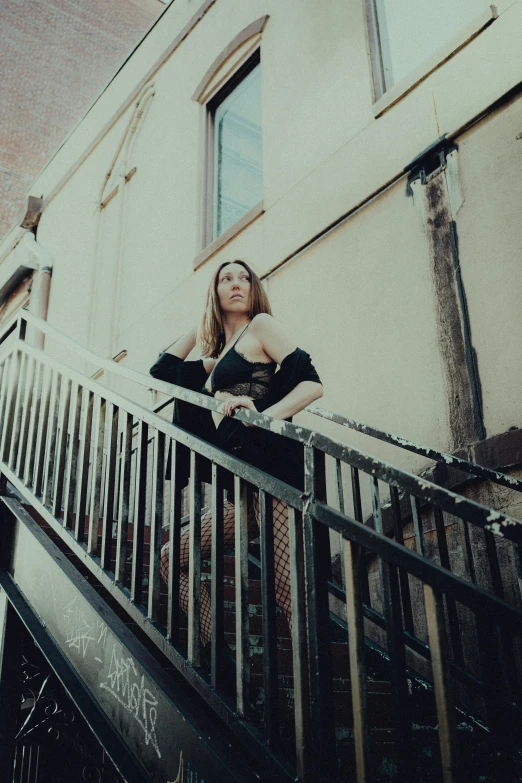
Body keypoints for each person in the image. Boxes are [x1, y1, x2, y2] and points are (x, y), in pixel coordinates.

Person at [150, 260, 323, 647]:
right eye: (225, 279)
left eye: (244, 278)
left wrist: (262, 417)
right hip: (243, 485)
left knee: (284, 590)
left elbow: (312, 384)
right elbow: (162, 371)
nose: (236, 284)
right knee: (170, 557)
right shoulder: (217, 358)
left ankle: (315, 693)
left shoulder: (260, 326)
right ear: (214, 292)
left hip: (276, 472)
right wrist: (203, 323)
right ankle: (218, 659)